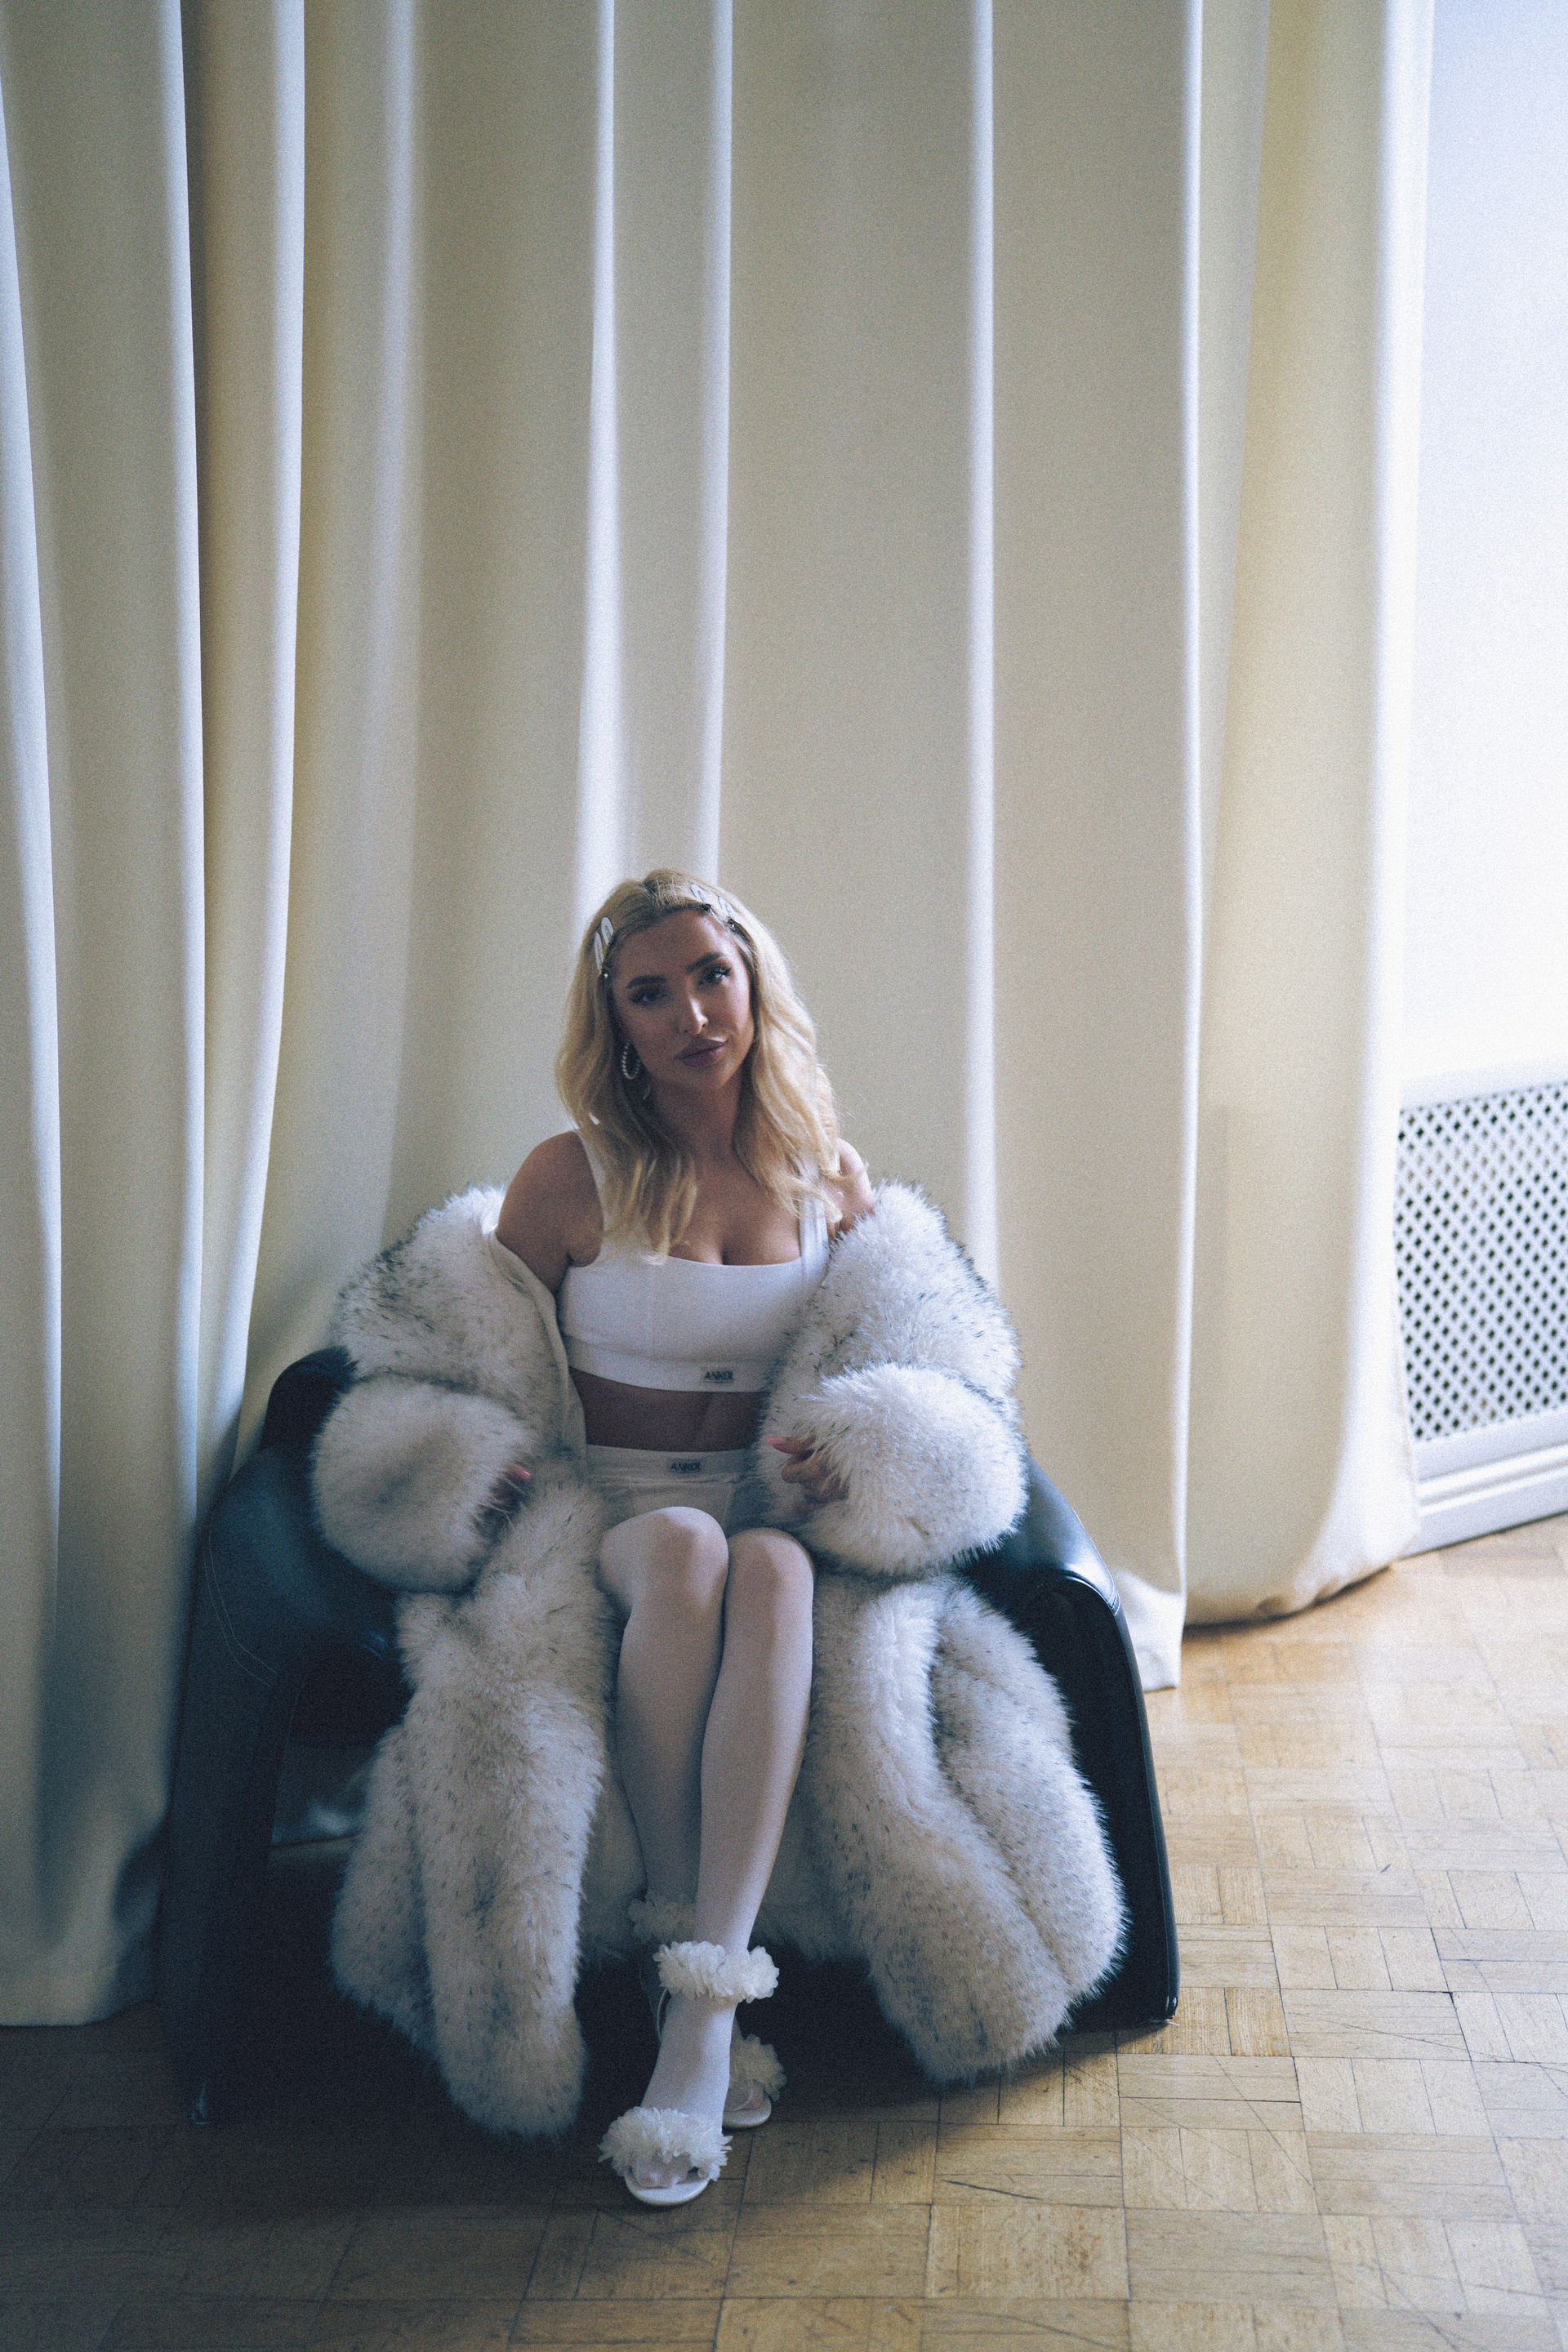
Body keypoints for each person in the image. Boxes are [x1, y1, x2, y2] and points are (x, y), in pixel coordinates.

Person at [491, 870, 874, 2203]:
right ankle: (684, 1955)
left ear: (753, 983)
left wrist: (855, 1446)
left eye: (712, 975)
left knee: (766, 1562)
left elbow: (884, 1361)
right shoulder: (569, 1175)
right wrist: (483, 1469)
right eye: (650, 994)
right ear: (616, 1024)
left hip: (760, 1511)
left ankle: (704, 2010)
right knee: (688, 1553)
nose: (691, 1015)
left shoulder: (826, 1173)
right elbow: (483, 1362)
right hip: (616, 1514)